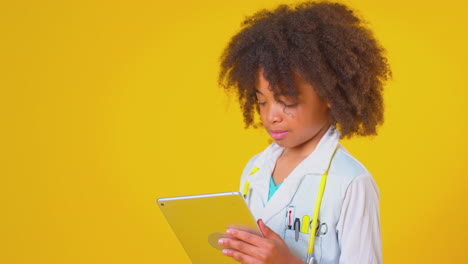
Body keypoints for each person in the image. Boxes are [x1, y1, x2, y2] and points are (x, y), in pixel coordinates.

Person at [217, 1, 391, 264]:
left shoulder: (352, 182)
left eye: (286, 100)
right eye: (262, 102)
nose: (271, 116)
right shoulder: (255, 170)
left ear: (329, 95)